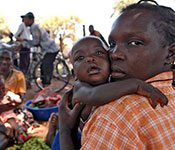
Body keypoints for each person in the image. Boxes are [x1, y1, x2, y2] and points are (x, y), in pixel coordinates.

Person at [59, 0, 175, 149]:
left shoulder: (114, 117)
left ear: (170, 53)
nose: (114, 54)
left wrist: (66, 131)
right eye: (112, 45)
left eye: (134, 43)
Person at [19, 12, 60, 87]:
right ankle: (44, 85)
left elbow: (36, 41)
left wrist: (24, 44)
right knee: (42, 66)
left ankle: (47, 85)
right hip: (47, 49)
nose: (24, 21)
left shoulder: (34, 27)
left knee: (46, 65)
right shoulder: (33, 27)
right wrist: (26, 41)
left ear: (31, 20)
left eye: (26, 19)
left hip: (51, 49)